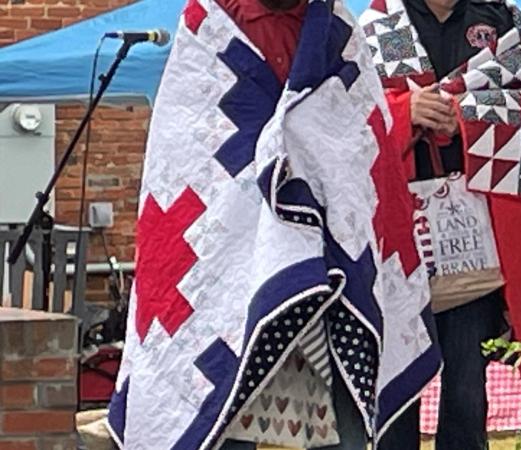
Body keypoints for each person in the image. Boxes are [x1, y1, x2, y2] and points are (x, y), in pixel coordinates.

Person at [111, 0, 439, 447]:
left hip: (332, 263)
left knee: (345, 412)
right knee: (223, 397)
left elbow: (362, 139)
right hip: (226, 260)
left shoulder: (337, 32)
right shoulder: (209, 28)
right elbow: (189, 159)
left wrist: (306, 154)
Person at [358, 0, 521, 446]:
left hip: (475, 225)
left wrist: (469, 113)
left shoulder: (502, 18)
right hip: (396, 230)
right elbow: (344, 119)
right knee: (395, 382)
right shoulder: (372, 28)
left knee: (467, 383)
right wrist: (405, 111)